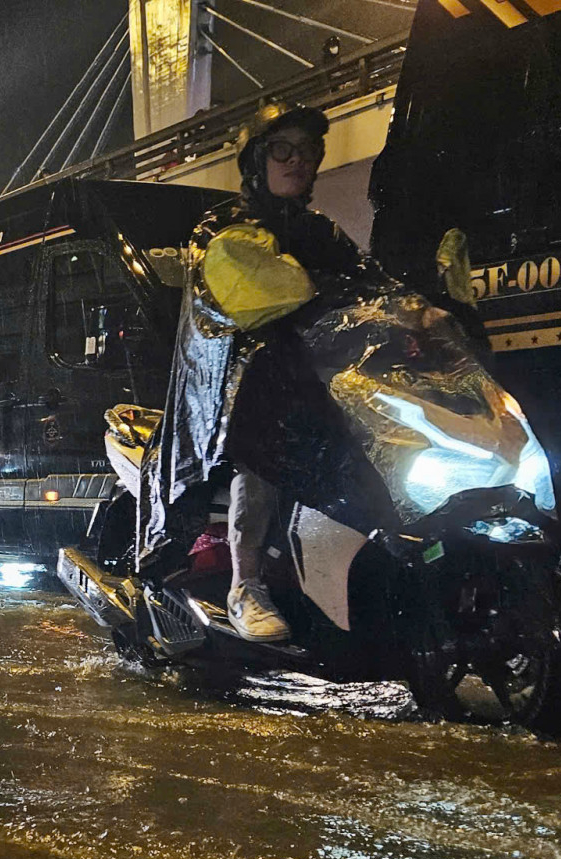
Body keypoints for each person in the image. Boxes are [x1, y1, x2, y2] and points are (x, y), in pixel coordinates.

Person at [141, 101, 394, 641]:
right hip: (244, 393)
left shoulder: (320, 230)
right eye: (282, 149)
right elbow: (261, 291)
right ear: (257, 160)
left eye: (307, 151)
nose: (296, 161)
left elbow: (374, 287)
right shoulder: (227, 229)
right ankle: (245, 583)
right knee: (261, 464)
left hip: (318, 383)